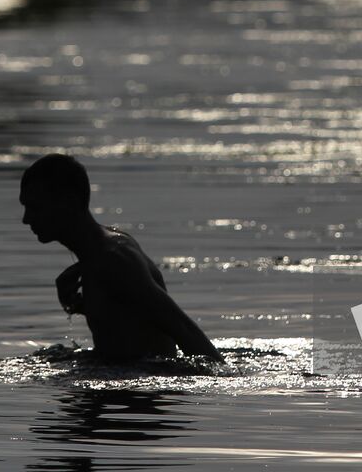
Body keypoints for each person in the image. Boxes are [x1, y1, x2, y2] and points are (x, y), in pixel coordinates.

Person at [19, 154, 223, 362]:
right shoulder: (98, 256)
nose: (26, 219)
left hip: (143, 389)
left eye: (35, 207)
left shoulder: (113, 258)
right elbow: (130, 329)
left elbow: (182, 328)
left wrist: (223, 383)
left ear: (69, 202)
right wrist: (84, 308)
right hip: (130, 383)